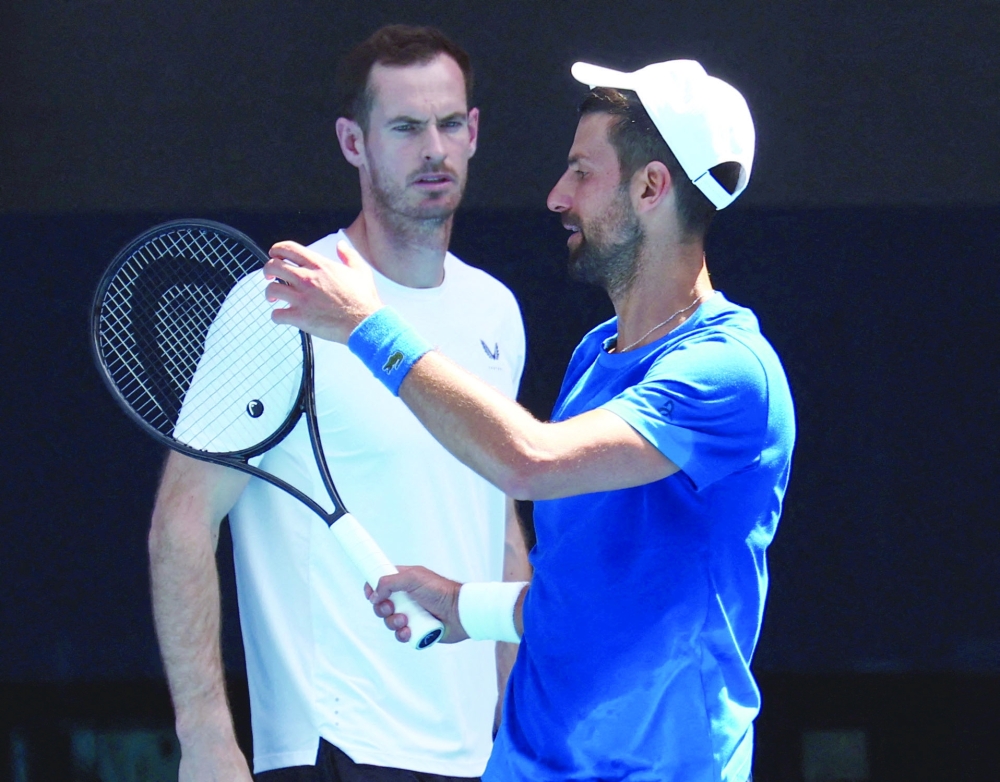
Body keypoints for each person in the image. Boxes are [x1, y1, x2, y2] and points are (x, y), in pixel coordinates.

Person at [263, 58, 796, 781]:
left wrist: (366, 325)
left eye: (582, 172)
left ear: (651, 187)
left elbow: (529, 462)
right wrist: (462, 607)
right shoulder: (593, 357)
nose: (555, 196)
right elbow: (589, 589)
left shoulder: (732, 374)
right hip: (527, 765)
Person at [148, 25, 529, 782]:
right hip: (336, 749)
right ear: (354, 142)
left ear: (475, 132)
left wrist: (517, 720)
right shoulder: (283, 303)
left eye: (451, 124)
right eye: (406, 127)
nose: (434, 150)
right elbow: (182, 522)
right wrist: (205, 737)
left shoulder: (496, 312)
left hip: (475, 757)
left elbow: (496, 521)